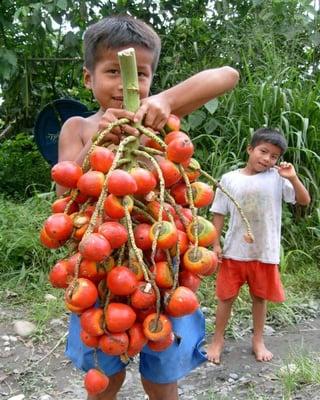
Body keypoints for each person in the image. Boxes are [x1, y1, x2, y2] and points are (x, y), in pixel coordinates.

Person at [57, 14, 239, 400]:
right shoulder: (78, 127)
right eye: (113, 71)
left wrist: (167, 101)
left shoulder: (156, 119)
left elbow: (228, 75)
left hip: (164, 272)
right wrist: (103, 137)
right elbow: (66, 185)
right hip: (99, 273)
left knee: (162, 375)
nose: (128, 84)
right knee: (104, 374)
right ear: (88, 78)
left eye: (140, 74)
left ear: (151, 80)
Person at [207, 127, 311, 365]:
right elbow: (218, 213)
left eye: (274, 156)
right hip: (234, 250)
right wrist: (215, 243)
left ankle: (258, 340)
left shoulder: (277, 178)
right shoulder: (229, 178)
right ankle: (217, 340)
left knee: (260, 297)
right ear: (250, 149)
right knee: (225, 297)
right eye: (263, 151)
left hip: (264, 252)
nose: (267, 159)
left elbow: (304, 201)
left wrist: (293, 177)